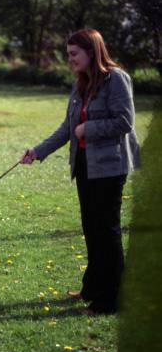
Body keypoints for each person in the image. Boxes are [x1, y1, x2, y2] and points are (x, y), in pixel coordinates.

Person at [20, 28, 140, 315]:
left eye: (74, 54)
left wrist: (89, 128)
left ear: (92, 52)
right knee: (91, 229)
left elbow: (124, 122)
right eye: (68, 54)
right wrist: (38, 151)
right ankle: (92, 288)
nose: (70, 59)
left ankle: (111, 300)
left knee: (106, 232)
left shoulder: (116, 79)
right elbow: (66, 128)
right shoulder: (81, 84)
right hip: (85, 166)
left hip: (110, 168)